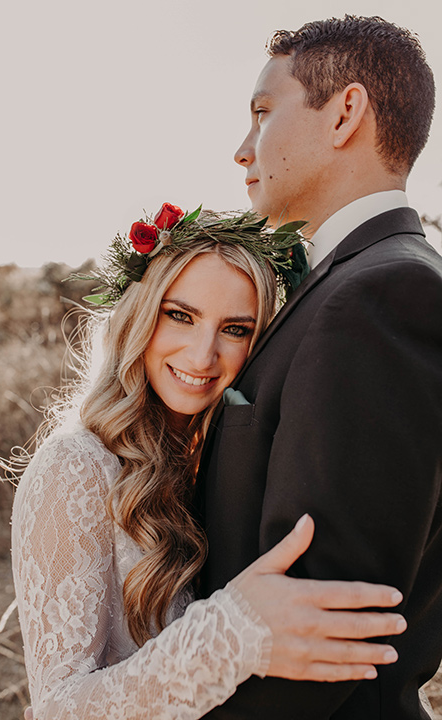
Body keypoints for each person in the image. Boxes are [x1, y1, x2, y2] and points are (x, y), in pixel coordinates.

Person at [0, 206, 408, 720]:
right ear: (141, 312)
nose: (201, 355)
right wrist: (230, 635)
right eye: (181, 315)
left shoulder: (226, 458)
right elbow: (59, 708)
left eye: (235, 329)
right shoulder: (76, 467)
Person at [197, 15, 442, 720]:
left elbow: (323, 634)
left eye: (263, 114)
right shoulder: (346, 282)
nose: (243, 150)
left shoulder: (382, 296)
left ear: (345, 113)